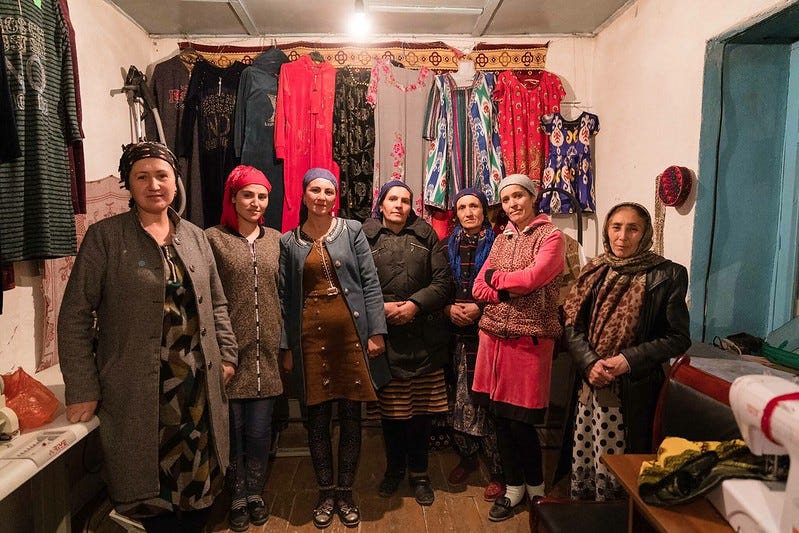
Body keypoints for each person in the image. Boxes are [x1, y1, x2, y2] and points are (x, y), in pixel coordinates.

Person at [58, 142, 237, 533]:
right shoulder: (105, 239)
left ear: (175, 182)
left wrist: (227, 357)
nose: (153, 184)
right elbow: (74, 315)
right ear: (129, 184)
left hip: (198, 392)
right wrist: (82, 386)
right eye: (142, 176)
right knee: (152, 501)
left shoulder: (195, 236)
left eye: (162, 175)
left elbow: (218, 304)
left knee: (200, 493)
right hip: (141, 395)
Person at [279, 167, 389, 529]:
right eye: (315, 190)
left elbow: (370, 283)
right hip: (309, 339)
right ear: (305, 195)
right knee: (317, 419)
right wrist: (287, 346)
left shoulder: (352, 231)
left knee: (351, 416)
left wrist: (376, 332)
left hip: (350, 338)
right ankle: (325, 491)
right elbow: (283, 297)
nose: (322, 197)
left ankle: (345, 491)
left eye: (328, 191)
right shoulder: (289, 241)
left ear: (335, 196)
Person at [563, 202, 690, 501]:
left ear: (645, 234)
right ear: (607, 230)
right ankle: (590, 515)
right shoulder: (596, 268)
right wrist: (589, 362)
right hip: (590, 381)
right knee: (587, 452)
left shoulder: (667, 275)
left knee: (621, 465)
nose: (622, 236)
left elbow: (677, 337)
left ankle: (617, 517)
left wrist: (626, 360)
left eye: (633, 228)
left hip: (631, 389)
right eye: (616, 227)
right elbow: (571, 322)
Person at [471, 174, 565, 522]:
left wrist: (500, 282)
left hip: (530, 341)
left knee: (522, 422)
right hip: (492, 339)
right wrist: (505, 288)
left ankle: (537, 489)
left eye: (518, 196)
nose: (512, 204)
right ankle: (513, 488)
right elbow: (479, 287)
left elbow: (533, 278)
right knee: (500, 419)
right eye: (506, 199)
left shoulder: (551, 236)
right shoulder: (501, 238)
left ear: (532, 197)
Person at [363, 180, 452, 506]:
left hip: (425, 341)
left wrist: (415, 304)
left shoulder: (425, 234)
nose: (399, 205)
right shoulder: (365, 235)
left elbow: (444, 282)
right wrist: (380, 310)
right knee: (392, 415)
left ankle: (420, 474)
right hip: (385, 340)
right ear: (382, 203)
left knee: (421, 417)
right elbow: (356, 283)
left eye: (405, 200)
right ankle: (393, 470)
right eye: (393, 199)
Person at [206, 165, 283, 531]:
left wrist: (284, 345)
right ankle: (235, 493)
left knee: (259, 430)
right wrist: (221, 350)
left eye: (262, 196)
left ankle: (256, 491)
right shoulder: (212, 239)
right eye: (248, 195)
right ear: (233, 197)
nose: (255, 203)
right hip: (227, 351)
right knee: (231, 428)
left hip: (266, 350)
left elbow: (283, 294)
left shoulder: (277, 240)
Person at [443, 188, 505, 502]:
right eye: (463, 207)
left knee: (488, 401)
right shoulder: (445, 246)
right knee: (458, 396)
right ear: (456, 212)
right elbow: (438, 286)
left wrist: (480, 310)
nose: (469, 212)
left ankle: (498, 469)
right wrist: (447, 309)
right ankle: (467, 457)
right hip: (453, 334)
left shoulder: (501, 246)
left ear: (484, 210)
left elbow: (508, 291)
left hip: (489, 335)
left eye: (475, 206)